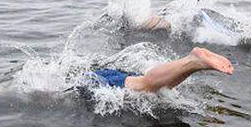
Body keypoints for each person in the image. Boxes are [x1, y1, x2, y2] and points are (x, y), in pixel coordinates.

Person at [88, 47, 233, 93]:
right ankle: (191, 65)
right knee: (159, 87)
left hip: (97, 79)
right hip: (106, 73)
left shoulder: (82, 80)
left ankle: (193, 61)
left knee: (144, 85)